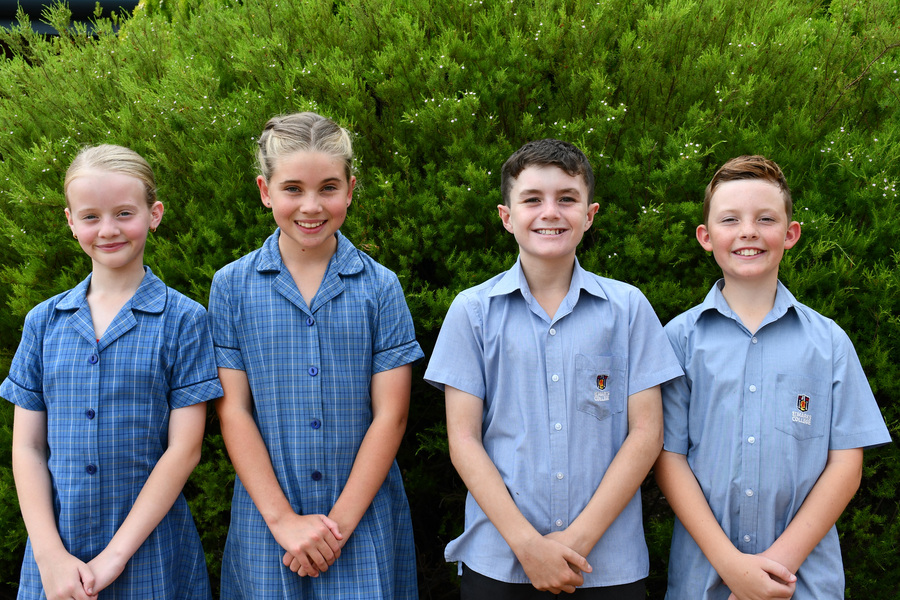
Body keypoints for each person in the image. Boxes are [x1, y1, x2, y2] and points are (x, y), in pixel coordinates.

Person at [424, 138, 683, 598]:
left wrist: (574, 542)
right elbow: (463, 439)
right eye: (532, 199)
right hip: (499, 562)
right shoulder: (473, 311)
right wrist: (527, 546)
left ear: (590, 214)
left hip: (606, 564)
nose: (550, 212)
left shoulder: (628, 309)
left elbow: (647, 434)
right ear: (507, 217)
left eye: (567, 198)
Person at [655, 155, 892, 599]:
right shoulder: (678, 341)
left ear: (790, 234)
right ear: (706, 237)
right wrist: (732, 568)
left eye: (766, 219)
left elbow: (846, 466)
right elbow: (669, 460)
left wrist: (773, 570)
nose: (748, 231)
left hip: (803, 584)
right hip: (705, 582)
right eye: (730, 219)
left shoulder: (830, 343)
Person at [209, 112, 423, 599]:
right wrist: (284, 521)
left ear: (350, 188)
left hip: (363, 522)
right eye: (292, 189)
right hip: (268, 523)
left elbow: (391, 415)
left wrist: (335, 529)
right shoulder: (231, 287)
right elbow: (234, 410)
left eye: (328, 187)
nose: (311, 206)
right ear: (265, 191)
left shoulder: (380, 287)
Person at [1, 145, 221, 600]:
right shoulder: (44, 322)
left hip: (153, 556)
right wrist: (49, 556)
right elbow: (26, 445)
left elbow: (184, 449)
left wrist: (114, 557)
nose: (108, 230)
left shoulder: (184, 320)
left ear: (154, 214)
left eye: (124, 213)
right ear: (70, 220)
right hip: (57, 561)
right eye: (91, 217)